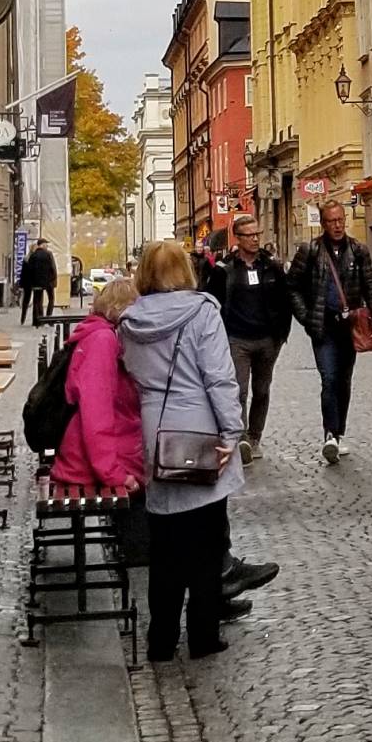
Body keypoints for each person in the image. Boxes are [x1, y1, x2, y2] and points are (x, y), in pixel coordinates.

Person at [119, 238, 276, 658]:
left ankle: (162, 638)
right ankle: (203, 635)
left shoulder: (130, 322)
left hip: (156, 430)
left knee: (165, 544)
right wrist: (232, 431)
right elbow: (220, 378)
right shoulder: (202, 312)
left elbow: (132, 375)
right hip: (200, 428)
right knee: (206, 541)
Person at [288, 198, 372, 465]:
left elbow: (371, 288)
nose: (337, 225)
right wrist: (307, 318)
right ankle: (330, 434)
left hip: (350, 327)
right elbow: (292, 287)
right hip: (323, 326)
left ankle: (339, 433)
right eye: (331, 221)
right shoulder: (311, 251)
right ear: (323, 223)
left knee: (343, 380)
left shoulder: (358, 250)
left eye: (340, 220)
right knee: (329, 378)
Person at [49, 274, 145, 502]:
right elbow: (97, 413)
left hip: (91, 458)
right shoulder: (103, 340)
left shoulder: (96, 334)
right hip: (90, 465)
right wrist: (114, 474)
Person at [207, 212, 293, 461]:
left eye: (257, 234)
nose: (255, 239)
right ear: (238, 238)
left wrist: (281, 334)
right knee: (240, 390)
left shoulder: (272, 266)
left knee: (262, 390)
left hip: (268, 338)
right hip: (237, 339)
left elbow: (285, 300)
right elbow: (212, 303)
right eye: (250, 235)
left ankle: (256, 436)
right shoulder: (225, 270)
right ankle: (242, 436)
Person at [19, 238, 58, 326]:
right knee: (51, 298)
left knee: (37, 301)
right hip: (47, 282)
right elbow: (52, 268)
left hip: (36, 282)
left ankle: (37, 320)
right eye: (46, 244)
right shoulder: (48, 254)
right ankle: (48, 318)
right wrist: (53, 279)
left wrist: (31, 282)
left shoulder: (33, 256)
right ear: (43, 245)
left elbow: (30, 270)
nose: (47, 246)